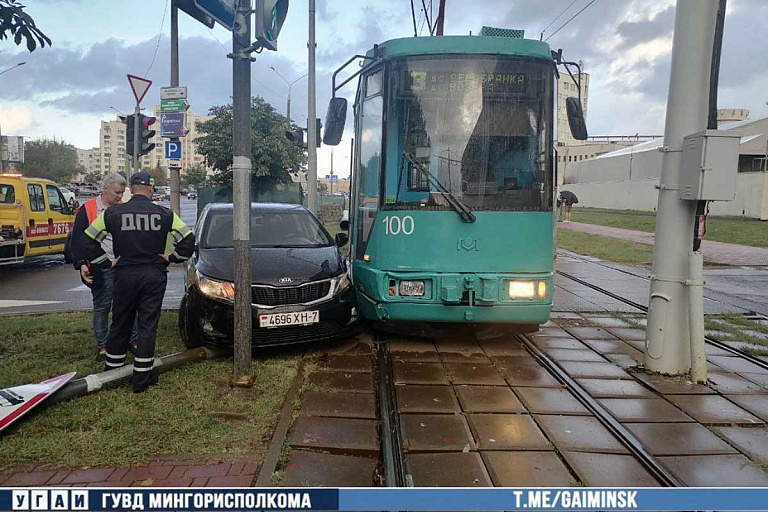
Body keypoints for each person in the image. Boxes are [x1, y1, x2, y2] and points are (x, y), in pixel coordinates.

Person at [84, 172, 195, 393]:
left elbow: (88, 239)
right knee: (147, 324)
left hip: (124, 274)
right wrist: (172, 258)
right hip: (153, 274)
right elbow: (188, 239)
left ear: (131, 189)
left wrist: (105, 263)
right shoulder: (165, 214)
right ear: (151, 189)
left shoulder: (112, 213)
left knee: (120, 321)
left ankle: (112, 372)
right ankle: (142, 379)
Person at [71, 173, 139, 360]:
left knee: (128, 304)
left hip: (122, 265)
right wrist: (81, 264)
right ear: (105, 189)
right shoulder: (88, 209)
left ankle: (133, 340)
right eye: (117, 192)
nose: (119, 196)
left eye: (122, 193)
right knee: (102, 306)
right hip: (99, 267)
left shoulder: (122, 209)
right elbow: (78, 240)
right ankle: (103, 344)